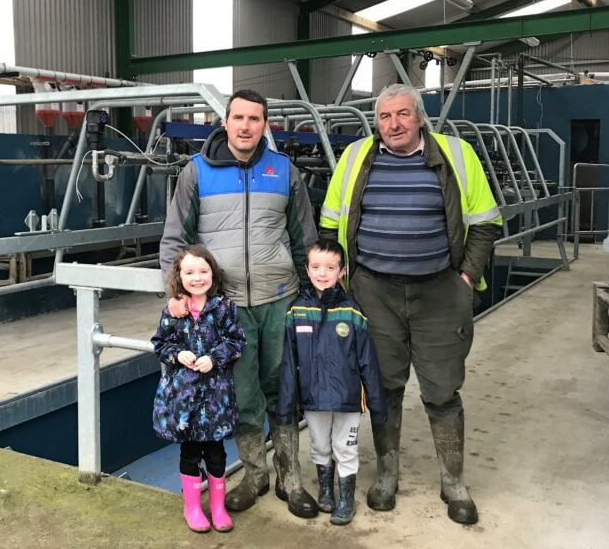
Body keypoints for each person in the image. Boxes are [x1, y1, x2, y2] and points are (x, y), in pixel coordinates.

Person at [319, 83, 502, 525]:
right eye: (384, 117)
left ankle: (453, 481)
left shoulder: (456, 155)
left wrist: (465, 280)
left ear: (420, 117)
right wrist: (345, 280)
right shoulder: (356, 158)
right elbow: (329, 224)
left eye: (402, 115)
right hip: (375, 293)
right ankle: (387, 474)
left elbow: (485, 223)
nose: (393, 124)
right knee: (384, 387)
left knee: (442, 389)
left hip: (440, 292)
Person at [160, 89, 321, 519]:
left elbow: (305, 238)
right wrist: (176, 293)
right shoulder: (197, 172)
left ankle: (290, 478)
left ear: (265, 125)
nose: (246, 126)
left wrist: (315, 297)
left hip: (281, 299)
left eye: (255, 119)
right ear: (225, 122)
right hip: (226, 309)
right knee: (243, 393)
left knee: (284, 389)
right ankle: (255, 474)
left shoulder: (284, 171)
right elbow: (176, 238)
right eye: (238, 118)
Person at [275, 239, 387, 526]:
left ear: (342, 271)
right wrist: (286, 406)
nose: (322, 273)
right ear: (307, 269)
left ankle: (346, 498)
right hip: (313, 398)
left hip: (348, 398)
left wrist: (376, 404)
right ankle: (326, 489)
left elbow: (368, 361)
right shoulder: (296, 311)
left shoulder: (353, 312)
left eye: (330, 267)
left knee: (345, 448)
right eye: (316, 267)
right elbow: (289, 362)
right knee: (320, 446)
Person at [152, 245, 245, 533]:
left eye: (203, 271)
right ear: (179, 276)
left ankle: (217, 506)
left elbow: (236, 341)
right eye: (189, 272)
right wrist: (178, 355)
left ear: (213, 274)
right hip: (184, 401)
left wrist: (214, 359)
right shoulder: (173, 311)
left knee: (216, 453)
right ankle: (192, 506)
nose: (197, 277)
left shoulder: (224, 308)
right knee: (190, 453)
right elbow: (161, 344)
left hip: (216, 398)